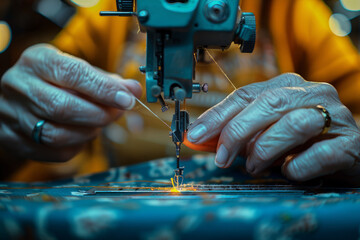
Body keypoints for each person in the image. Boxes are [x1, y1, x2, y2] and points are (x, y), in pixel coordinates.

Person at [1, 0, 360, 183]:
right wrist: (20, 125)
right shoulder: (102, 20)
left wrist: (343, 140)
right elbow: (31, 131)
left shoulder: (294, 13)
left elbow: (352, 124)